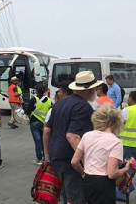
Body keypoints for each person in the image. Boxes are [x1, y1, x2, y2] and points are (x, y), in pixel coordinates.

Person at [43, 71, 101, 204]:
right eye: (95, 89)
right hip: (70, 162)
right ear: (90, 89)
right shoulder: (83, 107)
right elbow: (72, 136)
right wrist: (86, 163)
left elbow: (47, 130)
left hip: (56, 158)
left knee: (66, 196)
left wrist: (46, 154)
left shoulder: (59, 103)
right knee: (76, 199)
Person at [71, 104, 130, 204]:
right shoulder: (115, 141)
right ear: (117, 122)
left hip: (88, 179)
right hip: (104, 183)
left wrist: (83, 173)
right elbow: (112, 173)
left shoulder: (87, 135)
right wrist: (125, 169)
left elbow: (74, 162)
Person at [26, 84, 51, 165]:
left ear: (36, 91)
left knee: (37, 140)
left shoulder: (34, 99)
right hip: (45, 123)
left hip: (35, 122)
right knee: (45, 140)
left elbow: (27, 110)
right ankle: (45, 157)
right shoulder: (49, 100)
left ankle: (39, 158)